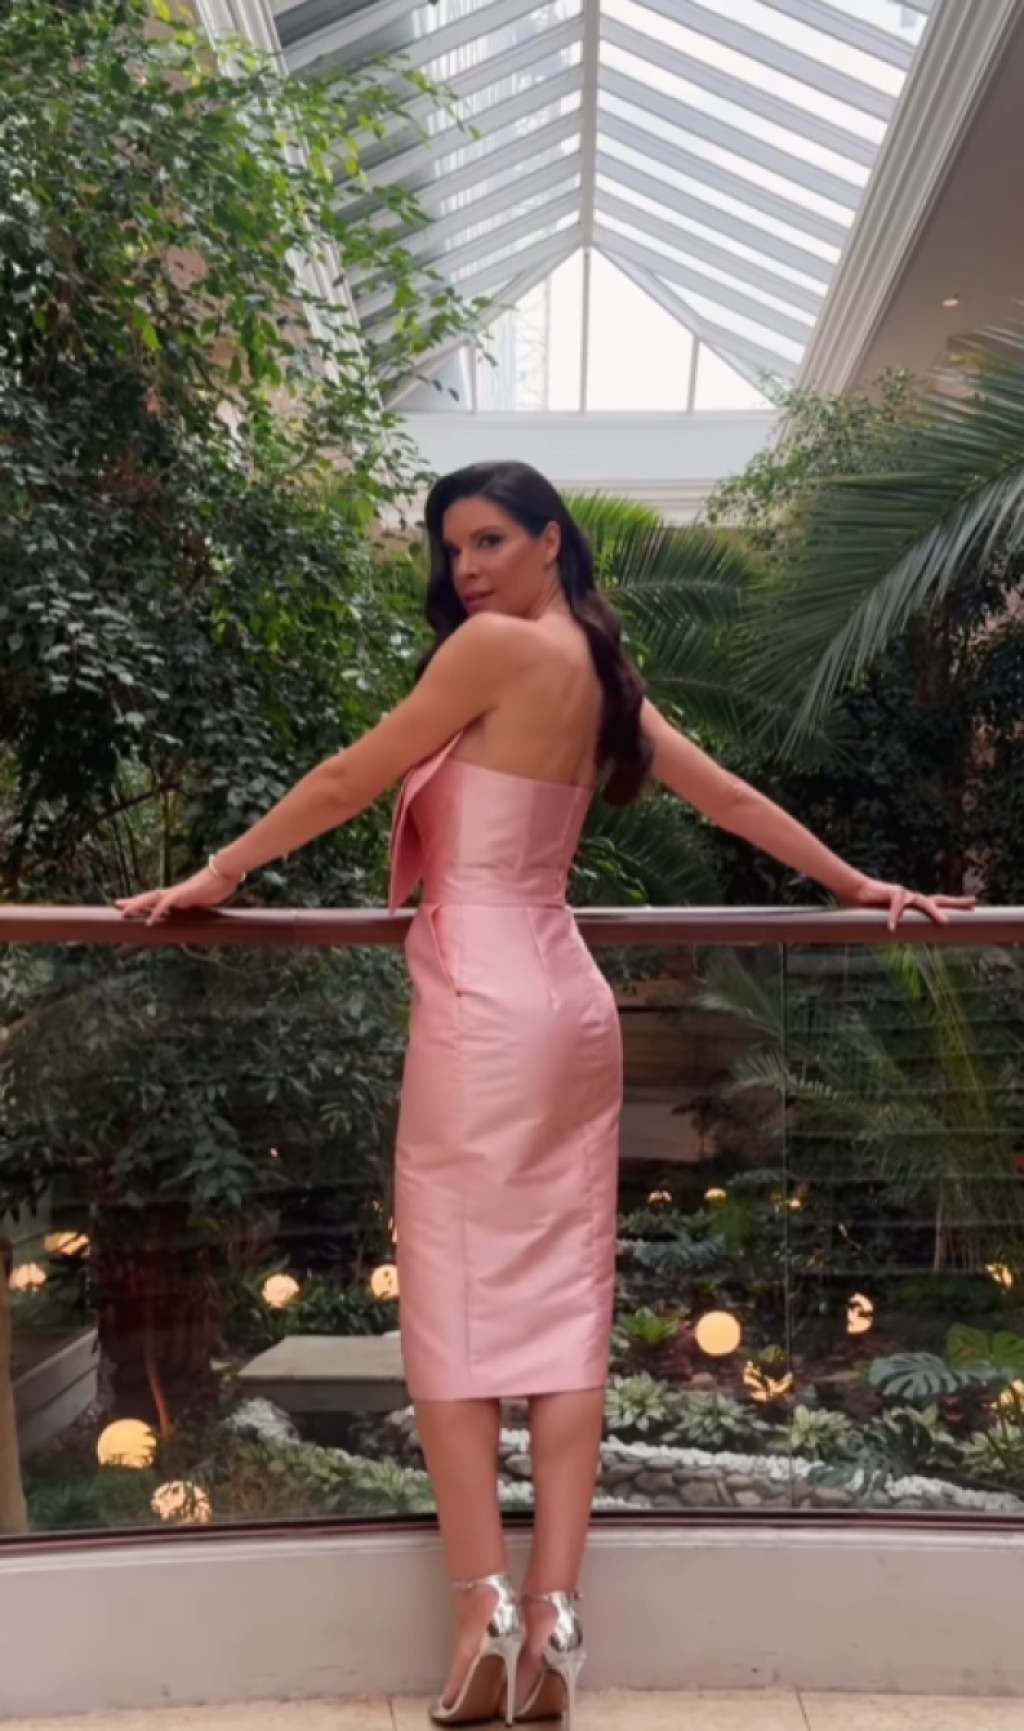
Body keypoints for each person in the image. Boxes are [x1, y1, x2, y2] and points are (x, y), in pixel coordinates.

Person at [118, 461, 973, 1727]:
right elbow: (727, 797)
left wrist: (218, 872)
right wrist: (856, 885)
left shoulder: (492, 654)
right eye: (450, 547)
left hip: (484, 1012)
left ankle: (484, 1610)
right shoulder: (600, 671)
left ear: (550, 540)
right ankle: (557, 1610)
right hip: (570, 1005)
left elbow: (351, 777)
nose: (463, 569)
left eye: (488, 540)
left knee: (453, 1306)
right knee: (568, 1299)